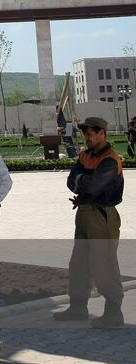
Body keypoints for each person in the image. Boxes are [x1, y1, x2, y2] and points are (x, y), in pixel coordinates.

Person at [52, 116, 124, 328]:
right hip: (84, 214)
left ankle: (113, 313)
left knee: (104, 263)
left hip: (101, 215)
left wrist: (80, 179)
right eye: (85, 134)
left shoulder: (110, 159)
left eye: (90, 134)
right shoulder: (86, 156)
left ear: (102, 133)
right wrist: (83, 180)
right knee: (79, 264)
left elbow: (92, 186)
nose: (87, 138)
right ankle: (78, 307)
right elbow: (70, 181)